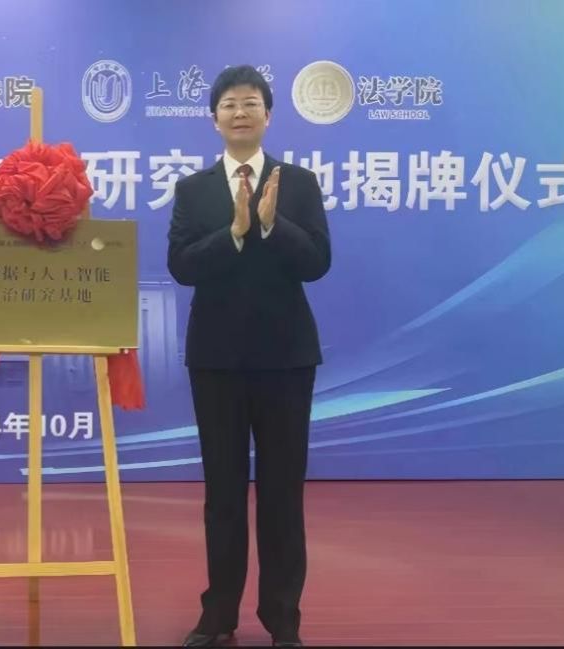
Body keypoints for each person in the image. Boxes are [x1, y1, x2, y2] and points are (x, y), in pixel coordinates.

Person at [166, 64, 332, 648]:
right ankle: (219, 614)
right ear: (214, 119)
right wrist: (234, 232)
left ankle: (283, 619)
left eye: (251, 103)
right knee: (224, 495)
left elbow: (317, 262)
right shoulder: (193, 190)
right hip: (216, 361)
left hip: (286, 360)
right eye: (229, 104)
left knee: (283, 495)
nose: (240, 112)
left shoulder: (299, 183)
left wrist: (272, 225)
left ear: (268, 115)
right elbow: (181, 267)